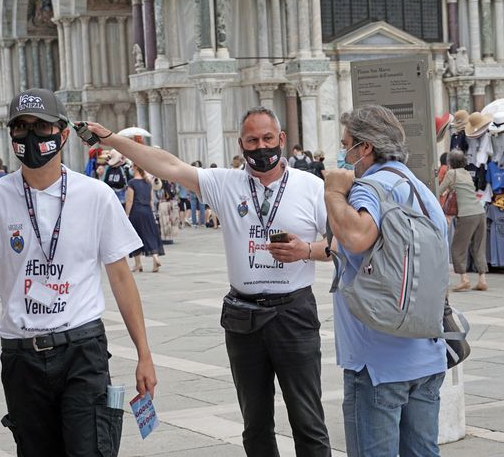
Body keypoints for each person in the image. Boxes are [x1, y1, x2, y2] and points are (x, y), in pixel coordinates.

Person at [85, 106, 333, 457]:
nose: (261, 147)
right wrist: (112, 140)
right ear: (241, 143)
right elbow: (166, 164)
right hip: (244, 316)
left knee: (307, 420)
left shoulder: (311, 187)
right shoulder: (226, 183)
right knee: (255, 423)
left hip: (293, 313)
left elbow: (339, 247)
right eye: (252, 140)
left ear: (282, 139)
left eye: (267, 138)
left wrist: (306, 249)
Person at [0, 88, 157, 456]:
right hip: (21, 354)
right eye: (21, 128)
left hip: (81, 348)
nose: (30, 137)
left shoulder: (95, 195)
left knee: (89, 450)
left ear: (63, 134)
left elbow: (122, 279)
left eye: (40, 127)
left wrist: (144, 353)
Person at [324, 104, 447, 456]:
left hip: (377, 359)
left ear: (365, 148)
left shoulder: (369, 188)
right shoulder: (421, 190)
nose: (343, 152)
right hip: (427, 353)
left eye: (346, 143)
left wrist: (334, 192)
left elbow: (358, 237)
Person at [437, 149, 489, 291]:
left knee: (457, 246)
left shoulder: (451, 173)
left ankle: (464, 279)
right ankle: (482, 279)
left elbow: (438, 191)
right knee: (478, 246)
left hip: (467, 215)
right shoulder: (466, 173)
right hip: (480, 212)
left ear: (450, 162)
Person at [126, 165, 164, 273]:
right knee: (150, 234)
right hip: (147, 211)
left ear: (135, 168)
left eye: (132, 167)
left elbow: (130, 200)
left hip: (136, 212)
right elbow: (151, 200)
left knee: (135, 236)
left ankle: (138, 264)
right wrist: (152, 212)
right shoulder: (148, 182)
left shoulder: (132, 183)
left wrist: (127, 215)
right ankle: (155, 258)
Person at [189, 160, 206, 228]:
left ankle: (196, 223)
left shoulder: (190, 173)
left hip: (196, 191)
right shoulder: (201, 172)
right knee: (197, 208)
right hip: (197, 191)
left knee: (199, 208)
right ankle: (199, 223)